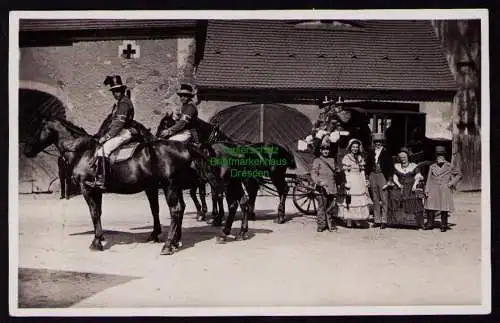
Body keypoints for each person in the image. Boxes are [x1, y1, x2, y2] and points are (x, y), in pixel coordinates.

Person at [89, 75, 135, 189]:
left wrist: (106, 137)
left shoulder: (124, 103)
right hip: (119, 131)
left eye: (118, 91)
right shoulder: (119, 103)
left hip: (124, 132)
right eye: (113, 91)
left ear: (122, 91)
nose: (115, 94)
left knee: (103, 150)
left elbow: (119, 124)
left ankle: (102, 179)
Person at [424, 146, 462, 232]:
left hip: (444, 188)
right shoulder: (432, 166)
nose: (439, 157)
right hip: (433, 187)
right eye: (438, 155)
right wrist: (426, 189)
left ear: (445, 156)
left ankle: (444, 224)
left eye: (441, 155)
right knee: (430, 205)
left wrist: (451, 183)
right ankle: (430, 223)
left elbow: (459, 175)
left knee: (444, 206)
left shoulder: (450, 166)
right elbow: (429, 178)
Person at [337, 138, 372, 228]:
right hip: (350, 179)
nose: (355, 149)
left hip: (359, 179)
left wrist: (364, 180)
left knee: (358, 200)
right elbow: (345, 171)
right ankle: (349, 220)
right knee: (350, 200)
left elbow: (362, 171)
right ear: (350, 147)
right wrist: (347, 182)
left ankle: (356, 219)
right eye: (353, 147)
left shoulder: (360, 158)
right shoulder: (347, 157)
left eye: (356, 147)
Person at [388, 147, 425, 228]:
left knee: (413, 199)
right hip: (400, 186)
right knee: (395, 196)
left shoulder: (413, 166)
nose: (403, 159)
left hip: (411, 186)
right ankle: (399, 221)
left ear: (408, 157)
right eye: (401, 158)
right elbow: (395, 176)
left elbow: (418, 176)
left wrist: (415, 185)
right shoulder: (397, 166)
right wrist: (398, 184)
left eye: (404, 157)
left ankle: (415, 223)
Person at [365, 133, 394, 229]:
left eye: (379, 142)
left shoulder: (386, 152)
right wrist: (367, 177)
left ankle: (384, 220)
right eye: (376, 142)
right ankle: (377, 220)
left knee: (384, 198)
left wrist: (389, 179)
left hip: (382, 175)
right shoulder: (371, 152)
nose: (378, 144)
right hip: (373, 175)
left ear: (382, 143)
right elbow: (367, 165)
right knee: (375, 198)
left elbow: (390, 167)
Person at [310, 138, 338, 232]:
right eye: (324, 150)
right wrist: (319, 182)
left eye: (327, 150)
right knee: (322, 207)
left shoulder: (332, 160)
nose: (326, 151)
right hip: (321, 188)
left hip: (331, 187)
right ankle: (321, 225)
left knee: (330, 208)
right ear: (321, 151)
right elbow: (314, 174)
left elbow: (336, 172)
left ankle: (330, 225)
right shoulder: (317, 160)